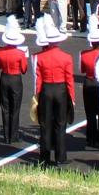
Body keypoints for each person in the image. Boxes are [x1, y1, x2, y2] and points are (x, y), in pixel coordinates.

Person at [33, 16, 73, 168]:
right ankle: (60, 157)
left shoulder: (40, 57)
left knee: (45, 124)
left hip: (46, 90)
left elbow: (38, 79)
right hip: (61, 90)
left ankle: (44, 158)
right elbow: (69, 79)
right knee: (60, 124)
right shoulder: (66, 57)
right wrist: (72, 98)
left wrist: (37, 95)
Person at [0, 16, 28, 144]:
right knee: (15, 108)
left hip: (4, 78)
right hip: (15, 79)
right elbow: (24, 70)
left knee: (5, 107)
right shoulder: (20, 53)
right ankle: (13, 135)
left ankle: (6, 135)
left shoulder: (1, 52)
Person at [79, 20, 99, 148]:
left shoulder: (84, 54)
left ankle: (91, 138)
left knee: (90, 113)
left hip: (88, 83)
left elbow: (82, 70)